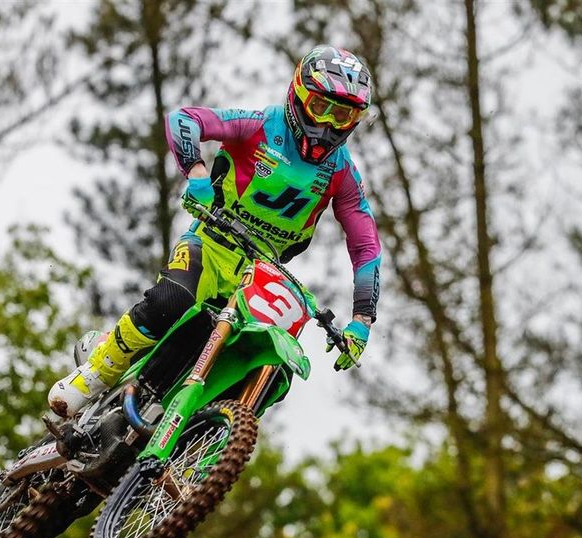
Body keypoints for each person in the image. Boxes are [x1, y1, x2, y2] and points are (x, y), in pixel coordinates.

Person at [48, 45, 382, 418]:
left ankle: (204, 431)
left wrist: (362, 320)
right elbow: (184, 120)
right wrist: (196, 175)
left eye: (344, 114)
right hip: (210, 244)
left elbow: (366, 245)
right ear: (298, 96)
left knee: (273, 367)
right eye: (322, 108)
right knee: (170, 302)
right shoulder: (259, 124)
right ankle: (96, 373)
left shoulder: (342, 172)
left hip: (264, 275)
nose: (330, 125)